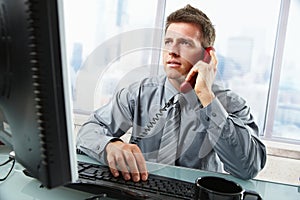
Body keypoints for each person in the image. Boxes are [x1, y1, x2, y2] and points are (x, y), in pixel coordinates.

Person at [76, 4, 266, 183]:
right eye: (168, 42)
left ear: (206, 55)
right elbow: (87, 132)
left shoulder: (231, 103)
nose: (172, 51)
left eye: (185, 43)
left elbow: (248, 167)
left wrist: (205, 97)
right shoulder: (140, 92)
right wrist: (110, 145)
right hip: (141, 191)